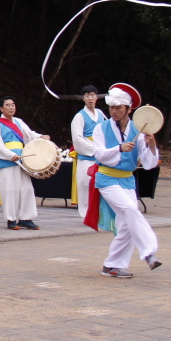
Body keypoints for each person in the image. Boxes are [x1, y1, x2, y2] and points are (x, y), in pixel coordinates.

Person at [90, 83, 162, 278]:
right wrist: (119, 149)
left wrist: (152, 145)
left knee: (127, 225)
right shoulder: (100, 128)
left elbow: (148, 163)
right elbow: (99, 154)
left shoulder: (138, 130)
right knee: (131, 210)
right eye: (111, 107)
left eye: (118, 108)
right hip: (106, 179)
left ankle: (112, 265)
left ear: (129, 109)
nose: (114, 111)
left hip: (127, 180)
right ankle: (149, 252)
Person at [0, 96, 49, 230]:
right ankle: (11, 219)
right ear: (1, 108)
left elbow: (29, 135)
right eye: (8, 105)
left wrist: (40, 137)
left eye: (13, 105)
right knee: (9, 190)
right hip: (7, 161)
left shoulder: (19, 122)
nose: (11, 107)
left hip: (22, 159)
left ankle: (26, 218)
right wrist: (10, 155)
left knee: (26, 189)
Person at [70, 85, 106, 219]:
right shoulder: (79, 117)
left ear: (97, 97)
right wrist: (95, 149)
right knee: (85, 185)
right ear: (83, 98)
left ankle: (99, 214)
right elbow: (78, 139)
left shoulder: (101, 114)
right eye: (87, 96)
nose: (90, 98)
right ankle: (86, 214)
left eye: (92, 95)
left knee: (100, 185)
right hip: (87, 156)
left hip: (100, 155)